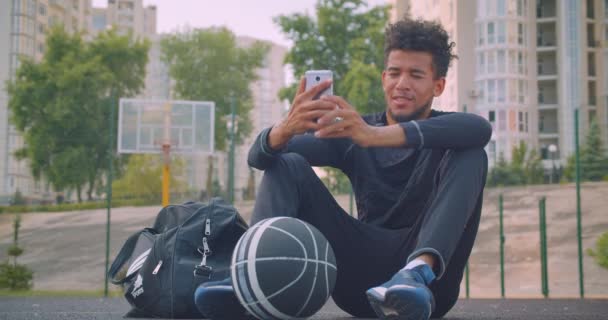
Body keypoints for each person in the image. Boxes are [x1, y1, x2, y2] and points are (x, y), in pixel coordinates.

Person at [195, 17, 491, 320]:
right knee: (286, 162)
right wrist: (284, 129)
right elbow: (260, 158)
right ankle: (248, 281)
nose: (402, 84)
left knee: (471, 155)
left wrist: (373, 136)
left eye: (416, 75)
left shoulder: (447, 131)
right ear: (383, 78)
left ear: (438, 85)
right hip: (360, 284)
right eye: (394, 73)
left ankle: (416, 271)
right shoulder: (352, 133)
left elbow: (479, 129)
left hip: (426, 294)